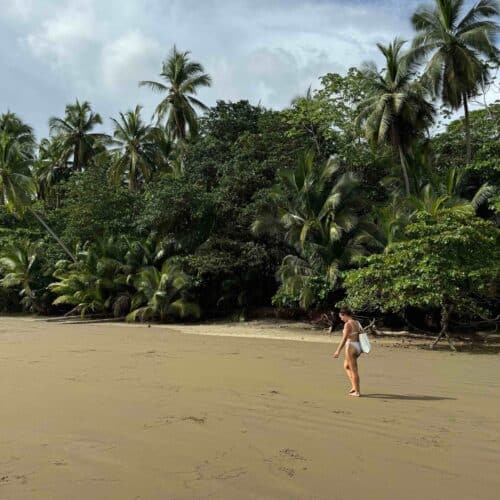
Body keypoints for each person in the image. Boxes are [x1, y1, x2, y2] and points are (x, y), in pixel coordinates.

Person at [333, 306, 363, 397]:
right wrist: (361, 349)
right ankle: (354, 387)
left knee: (354, 370)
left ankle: (357, 391)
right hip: (357, 346)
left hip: (351, 346)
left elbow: (344, 338)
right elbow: (362, 334)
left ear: (345, 315)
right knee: (346, 366)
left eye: (341, 317)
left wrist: (337, 351)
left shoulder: (348, 324)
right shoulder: (357, 323)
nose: (341, 319)